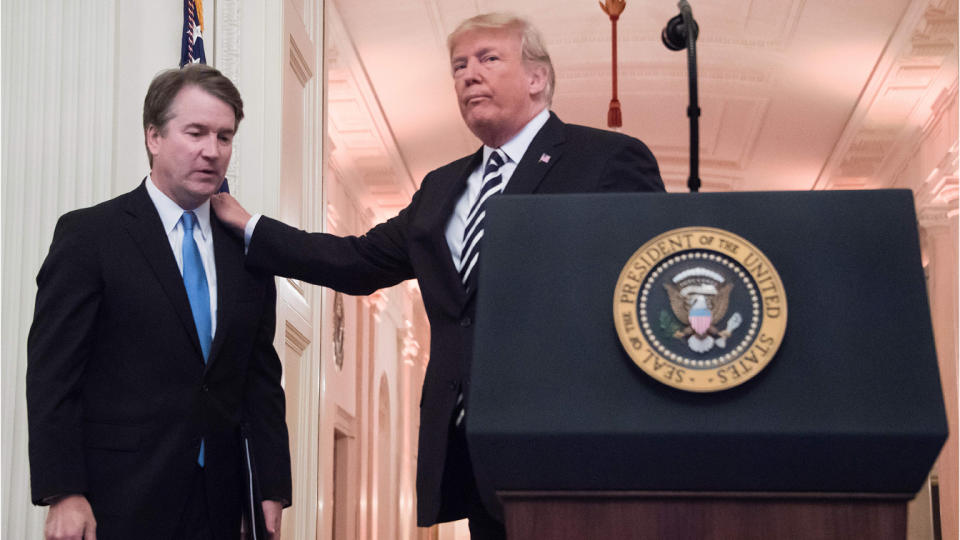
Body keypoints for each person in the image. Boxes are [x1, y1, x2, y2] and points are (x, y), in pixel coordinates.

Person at [212, 12, 664, 539]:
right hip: (471, 441)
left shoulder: (605, 160)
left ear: (537, 78)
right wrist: (250, 228)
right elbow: (358, 261)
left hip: (573, 438)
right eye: (458, 66)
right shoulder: (442, 186)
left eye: (488, 59)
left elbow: (647, 282)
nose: (469, 75)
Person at [27, 64, 292, 540]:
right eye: (196, 132)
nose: (212, 151)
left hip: (222, 504)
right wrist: (63, 491)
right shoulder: (91, 236)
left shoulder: (247, 250)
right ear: (153, 136)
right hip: (118, 500)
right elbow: (53, 376)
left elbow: (261, 380)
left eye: (225, 137)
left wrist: (271, 485)